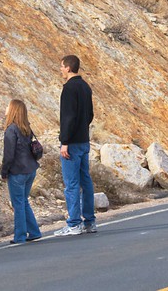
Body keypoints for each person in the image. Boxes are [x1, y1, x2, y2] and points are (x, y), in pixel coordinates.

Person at [54, 55, 96, 236]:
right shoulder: (85, 87)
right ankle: (89, 221)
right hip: (84, 140)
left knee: (71, 184)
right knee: (85, 181)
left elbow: (68, 117)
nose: (61, 70)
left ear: (68, 68)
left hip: (71, 143)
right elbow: (90, 115)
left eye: (62, 67)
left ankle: (74, 223)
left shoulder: (69, 88)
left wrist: (65, 141)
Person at [0, 99, 42, 245]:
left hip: (18, 171)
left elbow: (9, 155)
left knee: (18, 203)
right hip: (31, 169)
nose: (5, 108)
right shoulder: (26, 128)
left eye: (7, 106)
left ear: (13, 110)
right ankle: (34, 231)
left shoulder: (11, 129)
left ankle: (20, 236)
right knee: (23, 201)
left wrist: (4, 171)